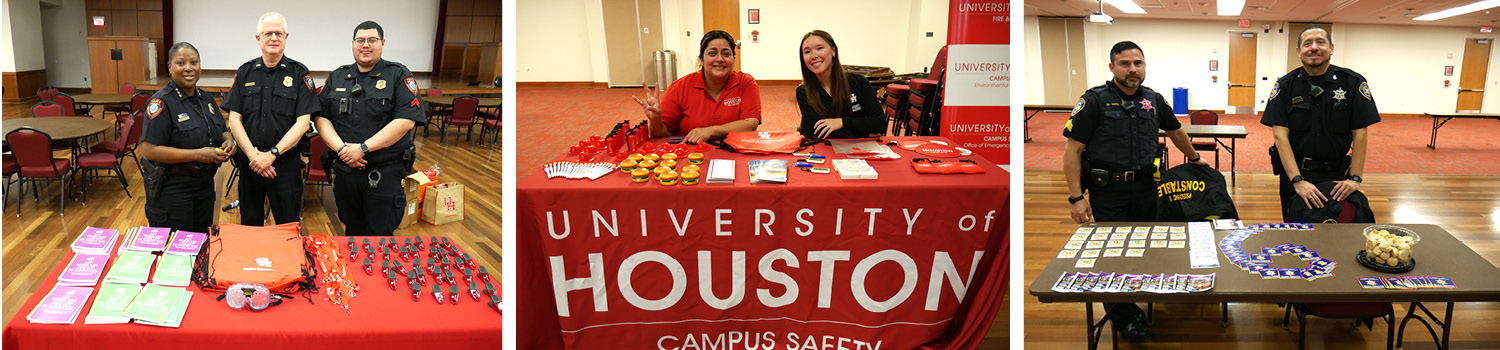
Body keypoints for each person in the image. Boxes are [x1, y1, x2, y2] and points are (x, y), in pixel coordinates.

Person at [1060, 41, 1208, 339]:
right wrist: (1077, 198)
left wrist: (1194, 158)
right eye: (1125, 64)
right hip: (1108, 191)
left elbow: (1176, 131)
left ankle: (1145, 291)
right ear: (1112, 67)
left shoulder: (1153, 100)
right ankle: (1124, 317)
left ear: (1144, 66)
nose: (1132, 69)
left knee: (1149, 247)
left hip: (1147, 187)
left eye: (1138, 63)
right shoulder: (1094, 101)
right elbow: (1072, 151)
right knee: (1113, 255)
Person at [313, 21, 424, 236]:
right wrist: (343, 150)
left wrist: (362, 148)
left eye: (372, 40)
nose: (366, 45)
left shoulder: (398, 75)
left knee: (380, 236)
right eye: (360, 40)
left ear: (382, 43)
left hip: (384, 173)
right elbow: (321, 117)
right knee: (352, 231)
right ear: (353, 44)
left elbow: (405, 121)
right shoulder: (337, 76)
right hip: (346, 172)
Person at [1262, 25, 1379, 221]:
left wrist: (1355, 178)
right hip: (1296, 173)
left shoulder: (1352, 83)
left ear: (1331, 48)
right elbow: (1280, 137)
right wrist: (1297, 181)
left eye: (1320, 42)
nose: (1314, 48)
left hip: (1337, 175)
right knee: (1296, 231)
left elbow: (1360, 134)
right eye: (1307, 44)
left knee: (1338, 230)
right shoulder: (1285, 86)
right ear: (1299, 52)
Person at [223, 12, 320, 226]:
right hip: (251, 164)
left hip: (284, 165)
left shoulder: (300, 74)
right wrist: (254, 157)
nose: (273, 38)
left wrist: (272, 155)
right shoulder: (245, 72)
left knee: (287, 226)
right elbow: (234, 120)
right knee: (250, 224)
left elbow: (303, 123)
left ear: (286, 37)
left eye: (278, 33)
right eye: (268, 33)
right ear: (258, 38)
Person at [139, 42, 236, 233]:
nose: (188, 68)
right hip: (172, 188)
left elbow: (222, 129)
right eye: (180, 63)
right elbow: (150, 150)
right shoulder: (161, 102)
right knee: (176, 249)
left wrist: (229, 140)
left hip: (204, 185)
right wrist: (197, 155)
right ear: (170, 67)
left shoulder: (207, 99)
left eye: (194, 62)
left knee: (201, 242)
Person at [633, 30, 761, 144]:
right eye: (712, 53)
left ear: (733, 59)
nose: (720, 59)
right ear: (701, 59)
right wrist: (656, 120)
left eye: (726, 54)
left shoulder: (745, 82)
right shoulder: (679, 87)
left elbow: (750, 124)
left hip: (735, 151)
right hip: (690, 156)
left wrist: (711, 131)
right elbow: (661, 135)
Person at [795, 30, 884, 140]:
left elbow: (879, 124)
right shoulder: (803, 92)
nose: (814, 56)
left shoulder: (859, 83)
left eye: (819, 48)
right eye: (807, 52)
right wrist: (864, 133)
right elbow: (819, 133)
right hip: (824, 150)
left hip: (859, 150)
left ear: (833, 51)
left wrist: (842, 122)